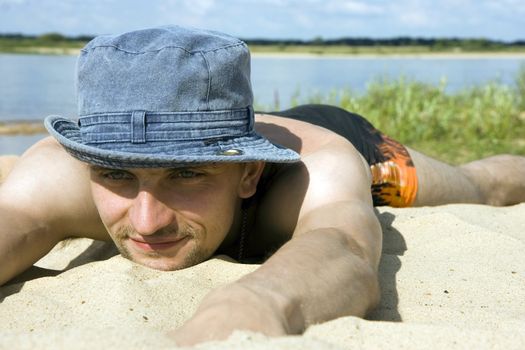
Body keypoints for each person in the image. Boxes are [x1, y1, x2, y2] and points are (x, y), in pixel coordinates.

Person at [0, 25, 524, 346]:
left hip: (356, 148)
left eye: (187, 173)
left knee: (483, 187)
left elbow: (344, 250)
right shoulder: (57, 172)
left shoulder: (318, 171)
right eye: (116, 174)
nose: (146, 222)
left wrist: (244, 311)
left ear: (249, 172)